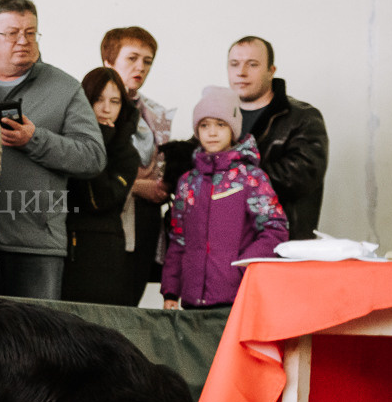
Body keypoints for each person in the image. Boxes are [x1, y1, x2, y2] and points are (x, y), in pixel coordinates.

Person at [0, 0, 105, 300]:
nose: (23, 41)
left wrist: (35, 139)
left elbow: (94, 156)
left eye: (30, 32)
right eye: (12, 33)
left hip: (37, 246)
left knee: (38, 345)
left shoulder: (65, 88)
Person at [161, 86, 288, 310]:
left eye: (220, 125)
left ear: (233, 129)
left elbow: (275, 229)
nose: (212, 132)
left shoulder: (251, 178)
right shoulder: (187, 183)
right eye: (204, 125)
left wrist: (241, 268)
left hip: (236, 300)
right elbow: (178, 239)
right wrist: (171, 290)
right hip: (191, 302)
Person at [101, 26, 176, 305]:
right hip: (108, 222)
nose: (140, 67)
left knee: (132, 302)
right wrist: (135, 186)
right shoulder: (88, 107)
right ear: (109, 62)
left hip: (145, 221)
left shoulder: (154, 113)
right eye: (132, 58)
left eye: (147, 61)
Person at [227, 36, 328, 240]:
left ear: (271, 71)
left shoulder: (303, 117)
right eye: (234, 64)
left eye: (252, 64)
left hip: (281, 245)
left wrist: (229, 178)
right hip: (226, 246)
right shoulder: (219, 117)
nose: (241, 72)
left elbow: (298, 176)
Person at [61, 67, 140, 305]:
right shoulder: (66, 142)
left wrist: (100, 142)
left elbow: (100, 200)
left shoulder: (126, 153)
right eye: (97, 99)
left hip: (105, 252)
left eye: (114, 101)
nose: (106, 108)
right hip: (65, 247)